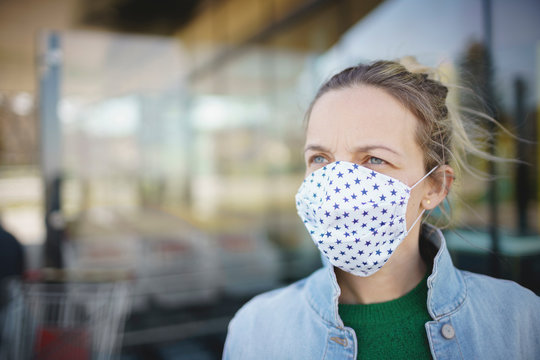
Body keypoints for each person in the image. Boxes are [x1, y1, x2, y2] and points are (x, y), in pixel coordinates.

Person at [222, 58, 540, 359]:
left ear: (435, 187)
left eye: (374, 159)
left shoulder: (519, 320)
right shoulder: (256, 329)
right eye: (320, 158)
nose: (339, 184)